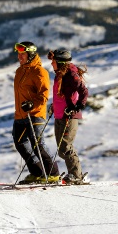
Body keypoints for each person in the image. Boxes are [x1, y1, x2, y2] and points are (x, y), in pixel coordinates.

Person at [12, 41, 60, 183]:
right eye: (19, 54)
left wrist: (32, 104)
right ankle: (38, 173)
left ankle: (53, 173)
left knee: (38, 144)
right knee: (20, 143)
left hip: (35, 114)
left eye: (23, 54)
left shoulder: (40, 72)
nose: (20, 57)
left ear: (31, 55)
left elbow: (43, 95)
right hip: (20, 114)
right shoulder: (20, 71)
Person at [48, 49, 89, 184]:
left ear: (60, 62)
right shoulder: (60, 74)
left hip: (69, 116)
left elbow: (83, 90)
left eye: (53, 61)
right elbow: (61, 95)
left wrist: (77, 106)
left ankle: (76, 175)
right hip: (60, 115)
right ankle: (74, 174)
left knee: (65, 147)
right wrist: (54, 106)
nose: (51, 64)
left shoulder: (70, 74)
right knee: (61, 150)